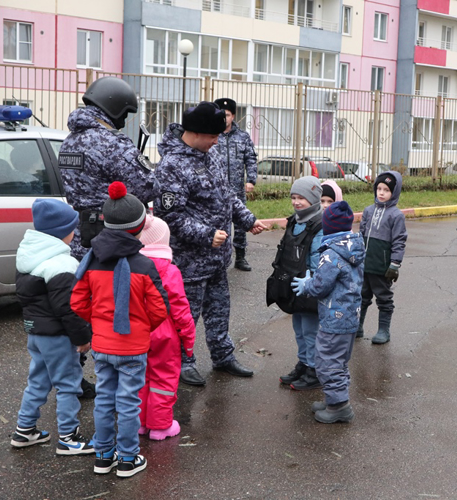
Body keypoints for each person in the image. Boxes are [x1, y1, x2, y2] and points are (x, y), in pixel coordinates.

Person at [153, 101, 268, 387]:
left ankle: (222, 355)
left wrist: (247, 219)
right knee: (185, 316)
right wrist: (206, 234)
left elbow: (227, 194)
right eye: (213, 136)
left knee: (219, 310)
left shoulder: (210, 154)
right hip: (189, 261)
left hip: (217, 257)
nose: (217, 141)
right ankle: (183, 362)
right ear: (195, 133)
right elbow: (170, 215)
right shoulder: (171, 165)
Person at [71, 182, 169, 478]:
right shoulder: (145, 265)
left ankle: (103, 455)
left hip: (102, 345)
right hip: (133, 347)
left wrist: (98, 321)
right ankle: (128, 458)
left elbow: (77, 302)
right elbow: (159, 310)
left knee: (104, 398)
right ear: (139, 228)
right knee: (128, 402)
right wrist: (140, 327)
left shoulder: (91, 262)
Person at [11, 199, 94, 455]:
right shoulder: (61, 264)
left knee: (37, 382)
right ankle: (69, 437)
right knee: (69, 384)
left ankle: (24, 431)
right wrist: (82, 338)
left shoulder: (29, 254)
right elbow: (69, 309)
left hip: (36, 332)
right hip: (58, 337)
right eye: (72, 228)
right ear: (63, 232)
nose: (75, 233)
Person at [58, 76, 159, 260]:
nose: (123, 121)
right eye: (125, 114)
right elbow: (147, 188)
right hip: (112, 239)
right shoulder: (112, 142)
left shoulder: (69, 141)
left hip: (79, 237)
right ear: (115, 108)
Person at [292, 201, 365, 423]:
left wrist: (307, 284)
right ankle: (334, 399)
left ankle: (339, 406)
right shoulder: (354, 247)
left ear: (328, 227)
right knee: (339, 360)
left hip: (333, 319)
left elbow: (320, 286)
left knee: (327, 360)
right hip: (350, 318)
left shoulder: (330, 254)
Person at [137, 215, 196, 440]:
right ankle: (160, 426)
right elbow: (180, 309)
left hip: (137, 332)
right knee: (164, 378)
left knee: (140, 377)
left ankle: (141, 423)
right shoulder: (170, 271)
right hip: (165, 334)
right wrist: (188, 341)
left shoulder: (132, 265)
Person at [267, 176, 324, 391]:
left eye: (302, 198)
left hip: (309, 286)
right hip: (294, 284)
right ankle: (303, 364)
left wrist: (313, 279)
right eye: (293, 197)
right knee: (299, 328)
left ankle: (314, 371)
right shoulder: (295, 220)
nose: (296, 202)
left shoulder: (319, 224)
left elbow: (320, 257)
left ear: (314, 199)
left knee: (311, 330)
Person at [357, 171, 408, 345]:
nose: (381, 193)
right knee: (361, 296)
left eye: (386, 190)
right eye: (378, 188)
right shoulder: (368, 211)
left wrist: (394, 264)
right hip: (364, 263)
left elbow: (399, 241)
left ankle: (383, 330)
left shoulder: (396, 215)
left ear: (394, 193)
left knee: (384, 298)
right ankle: (358, 326)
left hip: (382, 266)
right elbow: (361, 234)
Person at [214, 97, 258, 272]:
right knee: (217, 222)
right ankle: (218, 257)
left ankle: (240, 256)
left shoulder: (243, 137)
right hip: (216, 190)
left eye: (227, 115)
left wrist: (251, 180)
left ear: (233, 116)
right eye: (221, 115)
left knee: (240, 223)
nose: (224, 118)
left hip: (237, 187)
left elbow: (251, 159)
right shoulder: (211, 135)